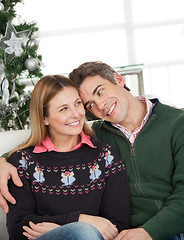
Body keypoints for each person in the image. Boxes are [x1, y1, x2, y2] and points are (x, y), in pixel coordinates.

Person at [0, 61, 184, 240]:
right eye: (89, 104)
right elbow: (29, 155)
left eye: (100, 91)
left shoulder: (176, 124)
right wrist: (2, 162)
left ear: (119, 80)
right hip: (127, 234)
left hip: (168, 228)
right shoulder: (96, 134)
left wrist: (148, 232)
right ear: (45, 118)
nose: (100, 105)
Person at [3, 75, 130, 240]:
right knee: (82, 231)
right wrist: (77, 220)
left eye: (77, 103)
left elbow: (116, 226)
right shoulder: (23, 162)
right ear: (44, 118)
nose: (76, 114)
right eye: (63, 109)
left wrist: (56, 226)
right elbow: (18, 228)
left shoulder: (105, 156)